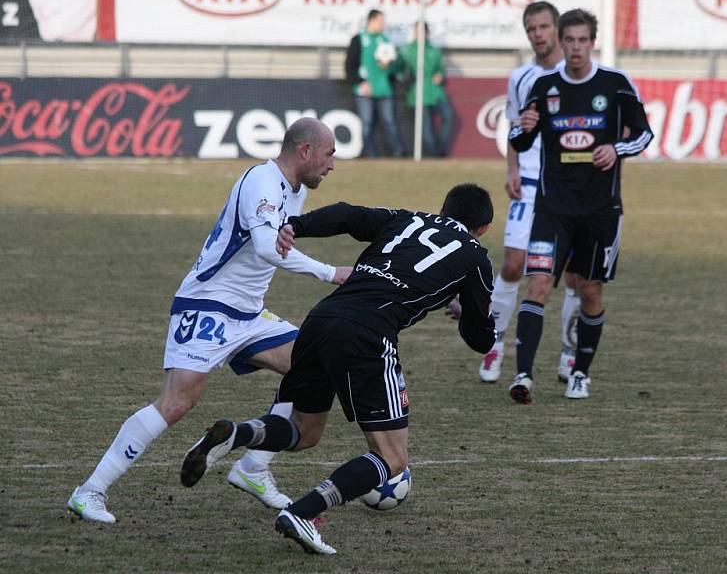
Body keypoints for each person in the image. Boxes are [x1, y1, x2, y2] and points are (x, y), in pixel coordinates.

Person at [179, 184, 496, 555]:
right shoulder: (476, 257)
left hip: (320, 320)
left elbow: (348, 213)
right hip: (367, 334)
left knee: (303, 430)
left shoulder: (409, 220)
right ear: (484, 228)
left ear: (443, 209)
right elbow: (479, 339)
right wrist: (471, 313)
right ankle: (304, 513)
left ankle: (237, 433)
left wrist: (295, 224)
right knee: (392, 457)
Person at [66, 118, 352, 523]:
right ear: (304, 151)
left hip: (249, 313)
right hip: (208, 305)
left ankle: (253, 468)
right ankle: (89, 492)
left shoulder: (297, 190)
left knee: (313, 365)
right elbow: (269, 248)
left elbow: (276, 244)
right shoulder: (262, 181)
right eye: (329, 154)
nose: (332, 164)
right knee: (178, 402)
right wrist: (330, 272)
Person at [508, 8, 653, 400]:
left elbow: (644, 135)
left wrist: (616, 148)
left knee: (589, 291)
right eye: (568, 40)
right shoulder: (543, 86)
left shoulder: (617, 84)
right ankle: (523, 377)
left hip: (600, 209)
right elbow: (520, 139)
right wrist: (520, 129)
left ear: (593, 41)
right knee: (538, 284)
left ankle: (580, 373)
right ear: (561, 40)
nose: (574, 47)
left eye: (582, 40)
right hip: (552, 208)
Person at [475, 2, 581, 403]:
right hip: (531, 182)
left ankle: (569, 354)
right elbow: (515, 127)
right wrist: (511, 169)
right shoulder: (520, 77)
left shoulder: (576, 74)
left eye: (544, 26)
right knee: (514, 264)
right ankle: (495, 343)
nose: (538, 34)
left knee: (571, 274)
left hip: (569, 188)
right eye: (531, 28)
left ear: (557, 28)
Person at [345, 9, 406, 158]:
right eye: (380, 21)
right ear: (371, 21)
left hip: (384, 90)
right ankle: (371, 154)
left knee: (389, 122)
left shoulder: (385, 41)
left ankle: (399, 153)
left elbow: (394, 68)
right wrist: (361, 83)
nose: (383, 24)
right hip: (364, 91)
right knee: (367, 123)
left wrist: (390, 67)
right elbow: (349, 66)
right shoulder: (359, 39)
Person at [400, 21, 453, 157]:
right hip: (417, 93)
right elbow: (401, 71)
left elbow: (440, 69)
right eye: (418, 31)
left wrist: (439, 75)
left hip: (435, 92)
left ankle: (439, 148)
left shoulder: (433, 50)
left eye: (423, 31)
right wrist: (406, 79)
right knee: (426, 126)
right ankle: (433, 154)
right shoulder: (407, 50)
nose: (421, 34)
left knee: (448, 117)